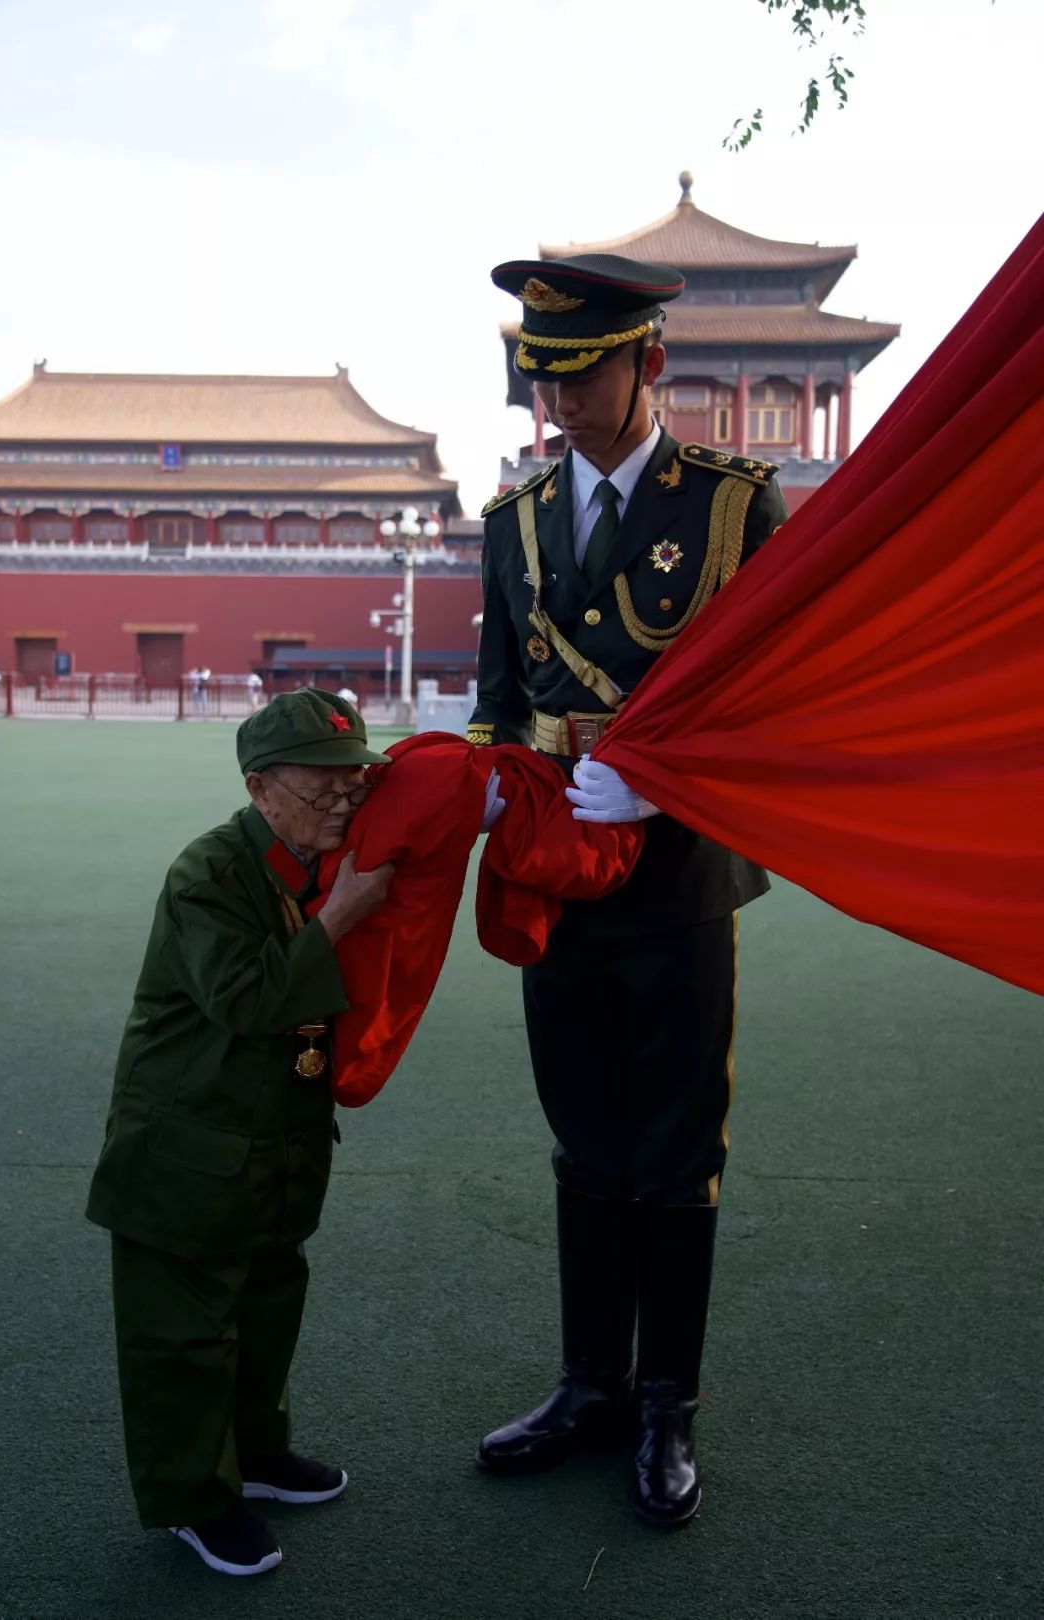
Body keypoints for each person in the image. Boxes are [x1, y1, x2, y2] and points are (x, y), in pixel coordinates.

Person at [468, 254, 788, 1526]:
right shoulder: (514, 517)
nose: (557, 406)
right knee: (584, 1134)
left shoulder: (732, 505)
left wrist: (664, 786)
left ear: (648, 362)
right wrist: (494, 782)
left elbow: (770, 694)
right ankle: (590, 1384)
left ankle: (668, 1404)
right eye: (540, 382)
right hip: (555, 870)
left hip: (677, 872)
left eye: (581, 377)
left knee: (674, 1144)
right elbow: (500, 697)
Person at [85, 688, 394, 1577]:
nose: (344, 797)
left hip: (271, 1141)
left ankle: (256, 1455)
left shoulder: (319, 860)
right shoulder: (209, 874)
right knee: (183, 1334)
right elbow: (249, 999)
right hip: (184, 1149)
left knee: (267, 1302)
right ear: (259, 788)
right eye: (321, 783)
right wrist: (342, 916)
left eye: (354, 779)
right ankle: (194, 1499)